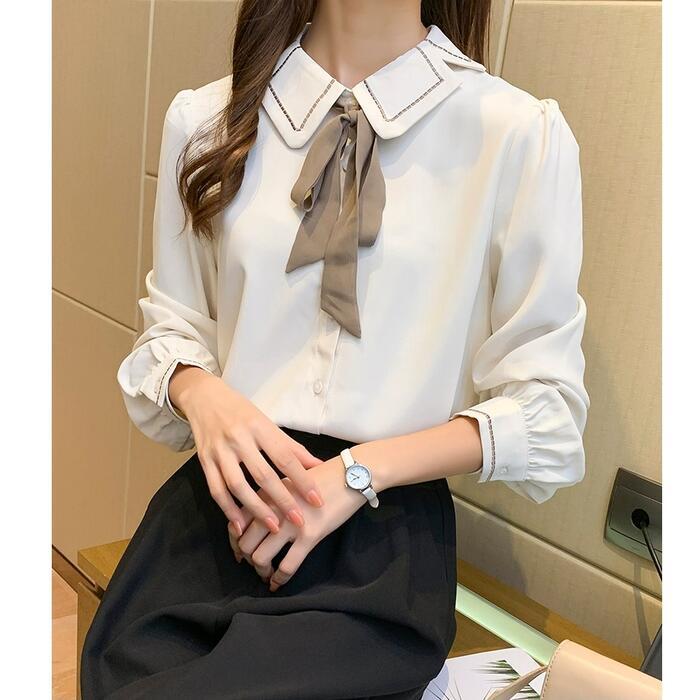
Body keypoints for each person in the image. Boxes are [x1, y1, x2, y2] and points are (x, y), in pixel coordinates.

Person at [80, 0, 590, 698]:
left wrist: (357, 473)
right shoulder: (207, 120)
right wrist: (203, 395)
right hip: (220, 514)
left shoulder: (517, 136)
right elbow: (172, 330)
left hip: (383, 544)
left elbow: (549, 410)